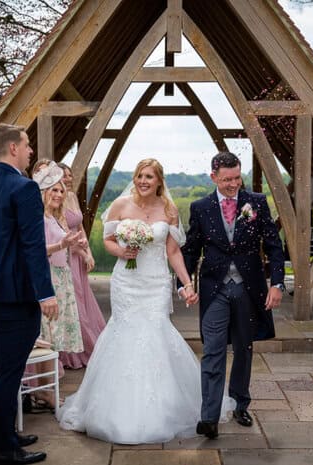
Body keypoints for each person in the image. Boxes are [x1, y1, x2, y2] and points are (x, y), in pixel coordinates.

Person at [59, 158, 224, 445]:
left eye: (149, 176)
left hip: (156, 282)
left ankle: (161, 407)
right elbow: (108, 239)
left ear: (160, 181)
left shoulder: (169, 209)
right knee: (124, 333)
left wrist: (186, 282)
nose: (143, 181)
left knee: (155, 333)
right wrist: (121, 253)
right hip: (126, 282)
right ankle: (114, 407)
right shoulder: (121, 206)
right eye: (139, 176)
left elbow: (173, 252)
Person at [180, 152, 285, 439]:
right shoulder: (200, 207)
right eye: (227, 179)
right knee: (212, 351)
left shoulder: (258, 203)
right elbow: (191, 249)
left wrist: (277, 283)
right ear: (213, 176)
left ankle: (240, 403)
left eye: (237, 178)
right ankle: (209, 417)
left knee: (243, 348)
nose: (233, 184)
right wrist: (184, 282)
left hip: (248, 288)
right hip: (214, 289)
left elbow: (275, 247)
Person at [0, 123, 56, 465]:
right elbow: (33, 247)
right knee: (9, 371)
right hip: (16, 294)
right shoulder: (24, 188)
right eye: (27, 144)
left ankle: (6, 434)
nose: (31, 150)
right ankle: (3, 450)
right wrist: (45, 294)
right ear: (13, 149)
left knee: (5, 367)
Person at [31, 162, 83, 407]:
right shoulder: (39, 218)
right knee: (47, 335)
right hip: (48, 277)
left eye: (62, 191)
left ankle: (47, 387)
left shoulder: (55, 218)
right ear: (43, 192)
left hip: (61, 276)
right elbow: (37, 250)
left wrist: (74, 244)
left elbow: (61, 244)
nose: (59, 195)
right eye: (54, 190)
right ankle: (44, 389)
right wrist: (62, 245)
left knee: (54, 337)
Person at [56, 161, 106, 368]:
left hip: (79, 254)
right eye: (64, 175)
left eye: (69, 175)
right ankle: (73, 352)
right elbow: (64, 231)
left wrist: (89, 252)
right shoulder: (55, 198)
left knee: (84, 300)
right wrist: (80, 252)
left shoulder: (72, 196)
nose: (68, 178)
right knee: (73, 302)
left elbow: (80, 228)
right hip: (67, 254)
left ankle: (90, 347)